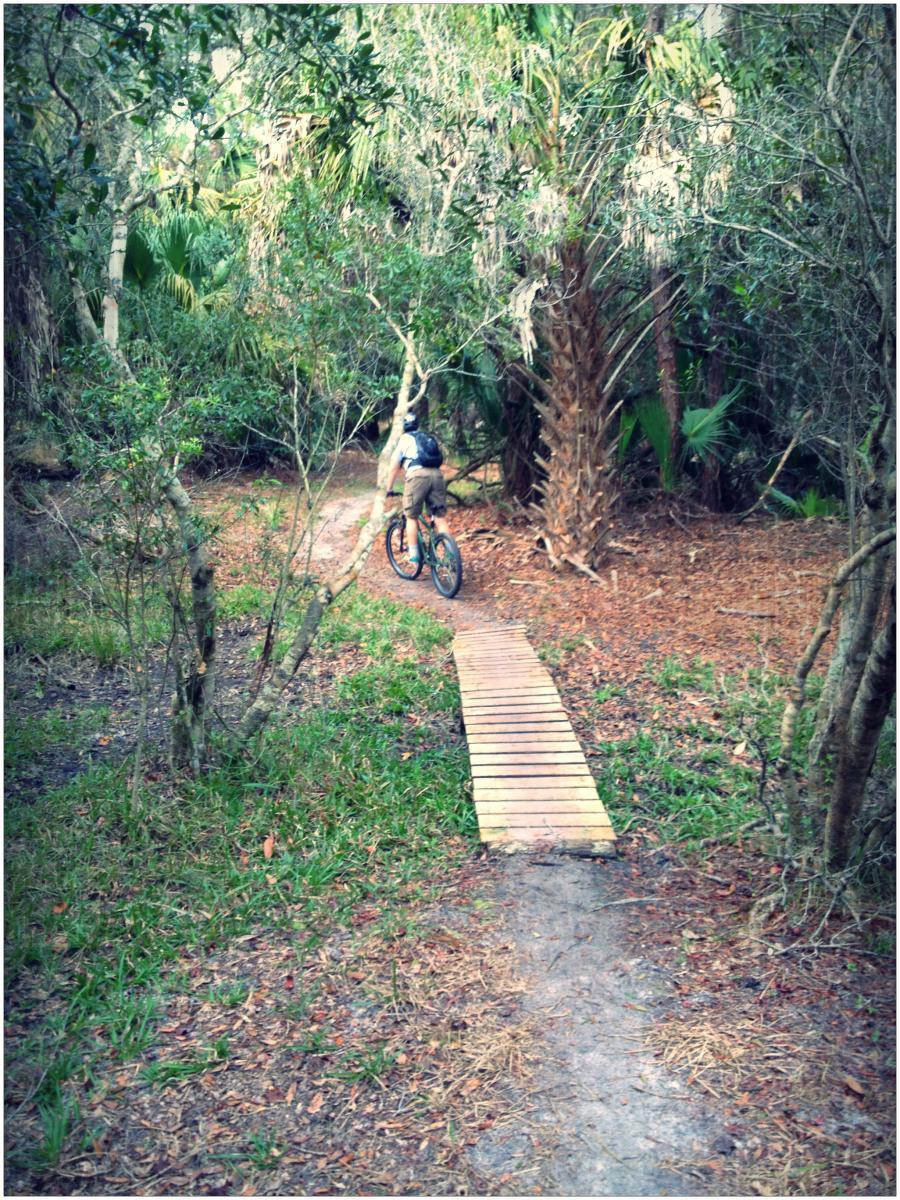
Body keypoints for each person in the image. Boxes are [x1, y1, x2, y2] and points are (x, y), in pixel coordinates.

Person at [386, 412, 450, 566]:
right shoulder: (426, 437)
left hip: (417, 477)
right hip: (437, 475)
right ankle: (451, 556)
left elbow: (394, 466)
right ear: (417, 425)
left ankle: (414, 558)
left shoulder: (404, 440)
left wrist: (389, 488)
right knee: (440, 518)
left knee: (411, 517)